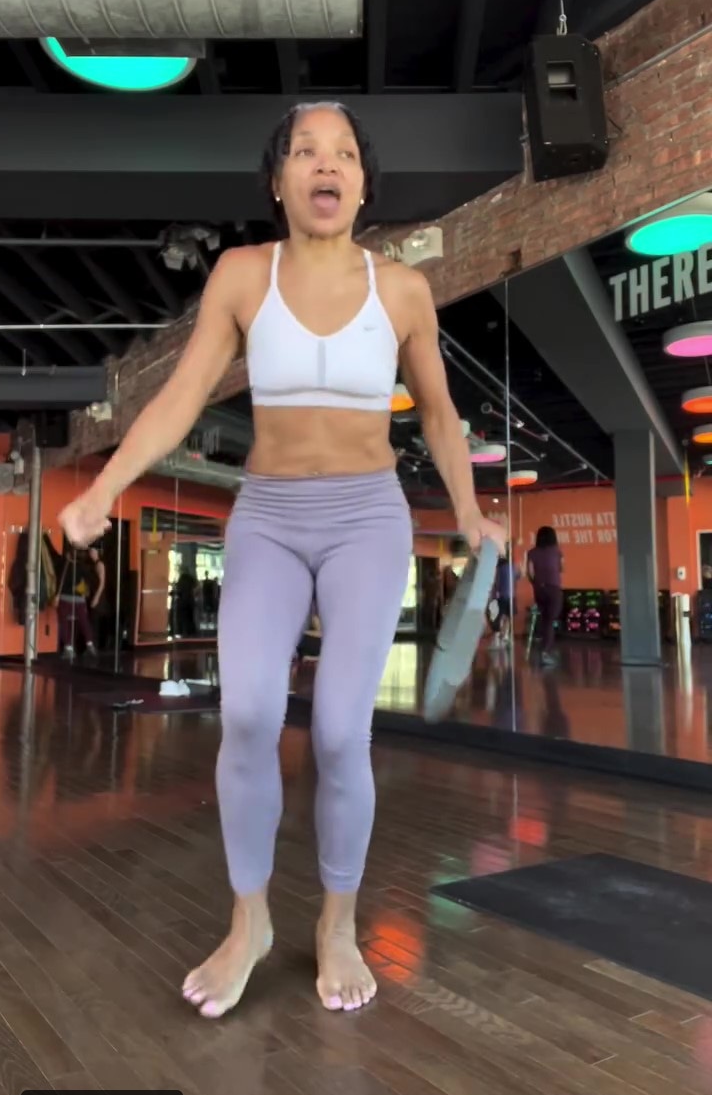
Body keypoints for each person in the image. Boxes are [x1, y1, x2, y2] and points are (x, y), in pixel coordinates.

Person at [58, 101, 505, 1019]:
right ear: (279, 181)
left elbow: (439, 413)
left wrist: (467, 510)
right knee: (251, 715)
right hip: (268, 515)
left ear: (363, 185)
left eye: (343, 153)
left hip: (366, 519)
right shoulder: (241, 275)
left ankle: (338, 923)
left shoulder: (402, 291)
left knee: (341, 732)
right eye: (306, 151)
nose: (325, 164)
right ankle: (250, 920)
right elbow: (181, 397)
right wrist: (105, 487)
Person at [526, 525, 563, 666]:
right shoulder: (557, 552)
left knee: (544, 619)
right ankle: (546, 652)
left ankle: (546, 650)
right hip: (554, 589)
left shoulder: (532, 552)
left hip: (539, 589)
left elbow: (530, 572)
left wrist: (536, 584)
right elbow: (562, 568)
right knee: (550, 620)